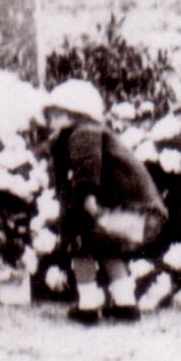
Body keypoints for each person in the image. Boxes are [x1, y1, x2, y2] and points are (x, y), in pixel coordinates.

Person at [41, 78, 166, 325]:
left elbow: (87, 170)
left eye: (58, 115)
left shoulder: (83, 133)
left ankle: (88, 305)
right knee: (109, 249)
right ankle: (125, 303)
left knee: (82, 247)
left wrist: (87, 200)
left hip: (104, 204)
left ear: (77, 114)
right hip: (128, 204)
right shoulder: (91, 132)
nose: (52, 122)